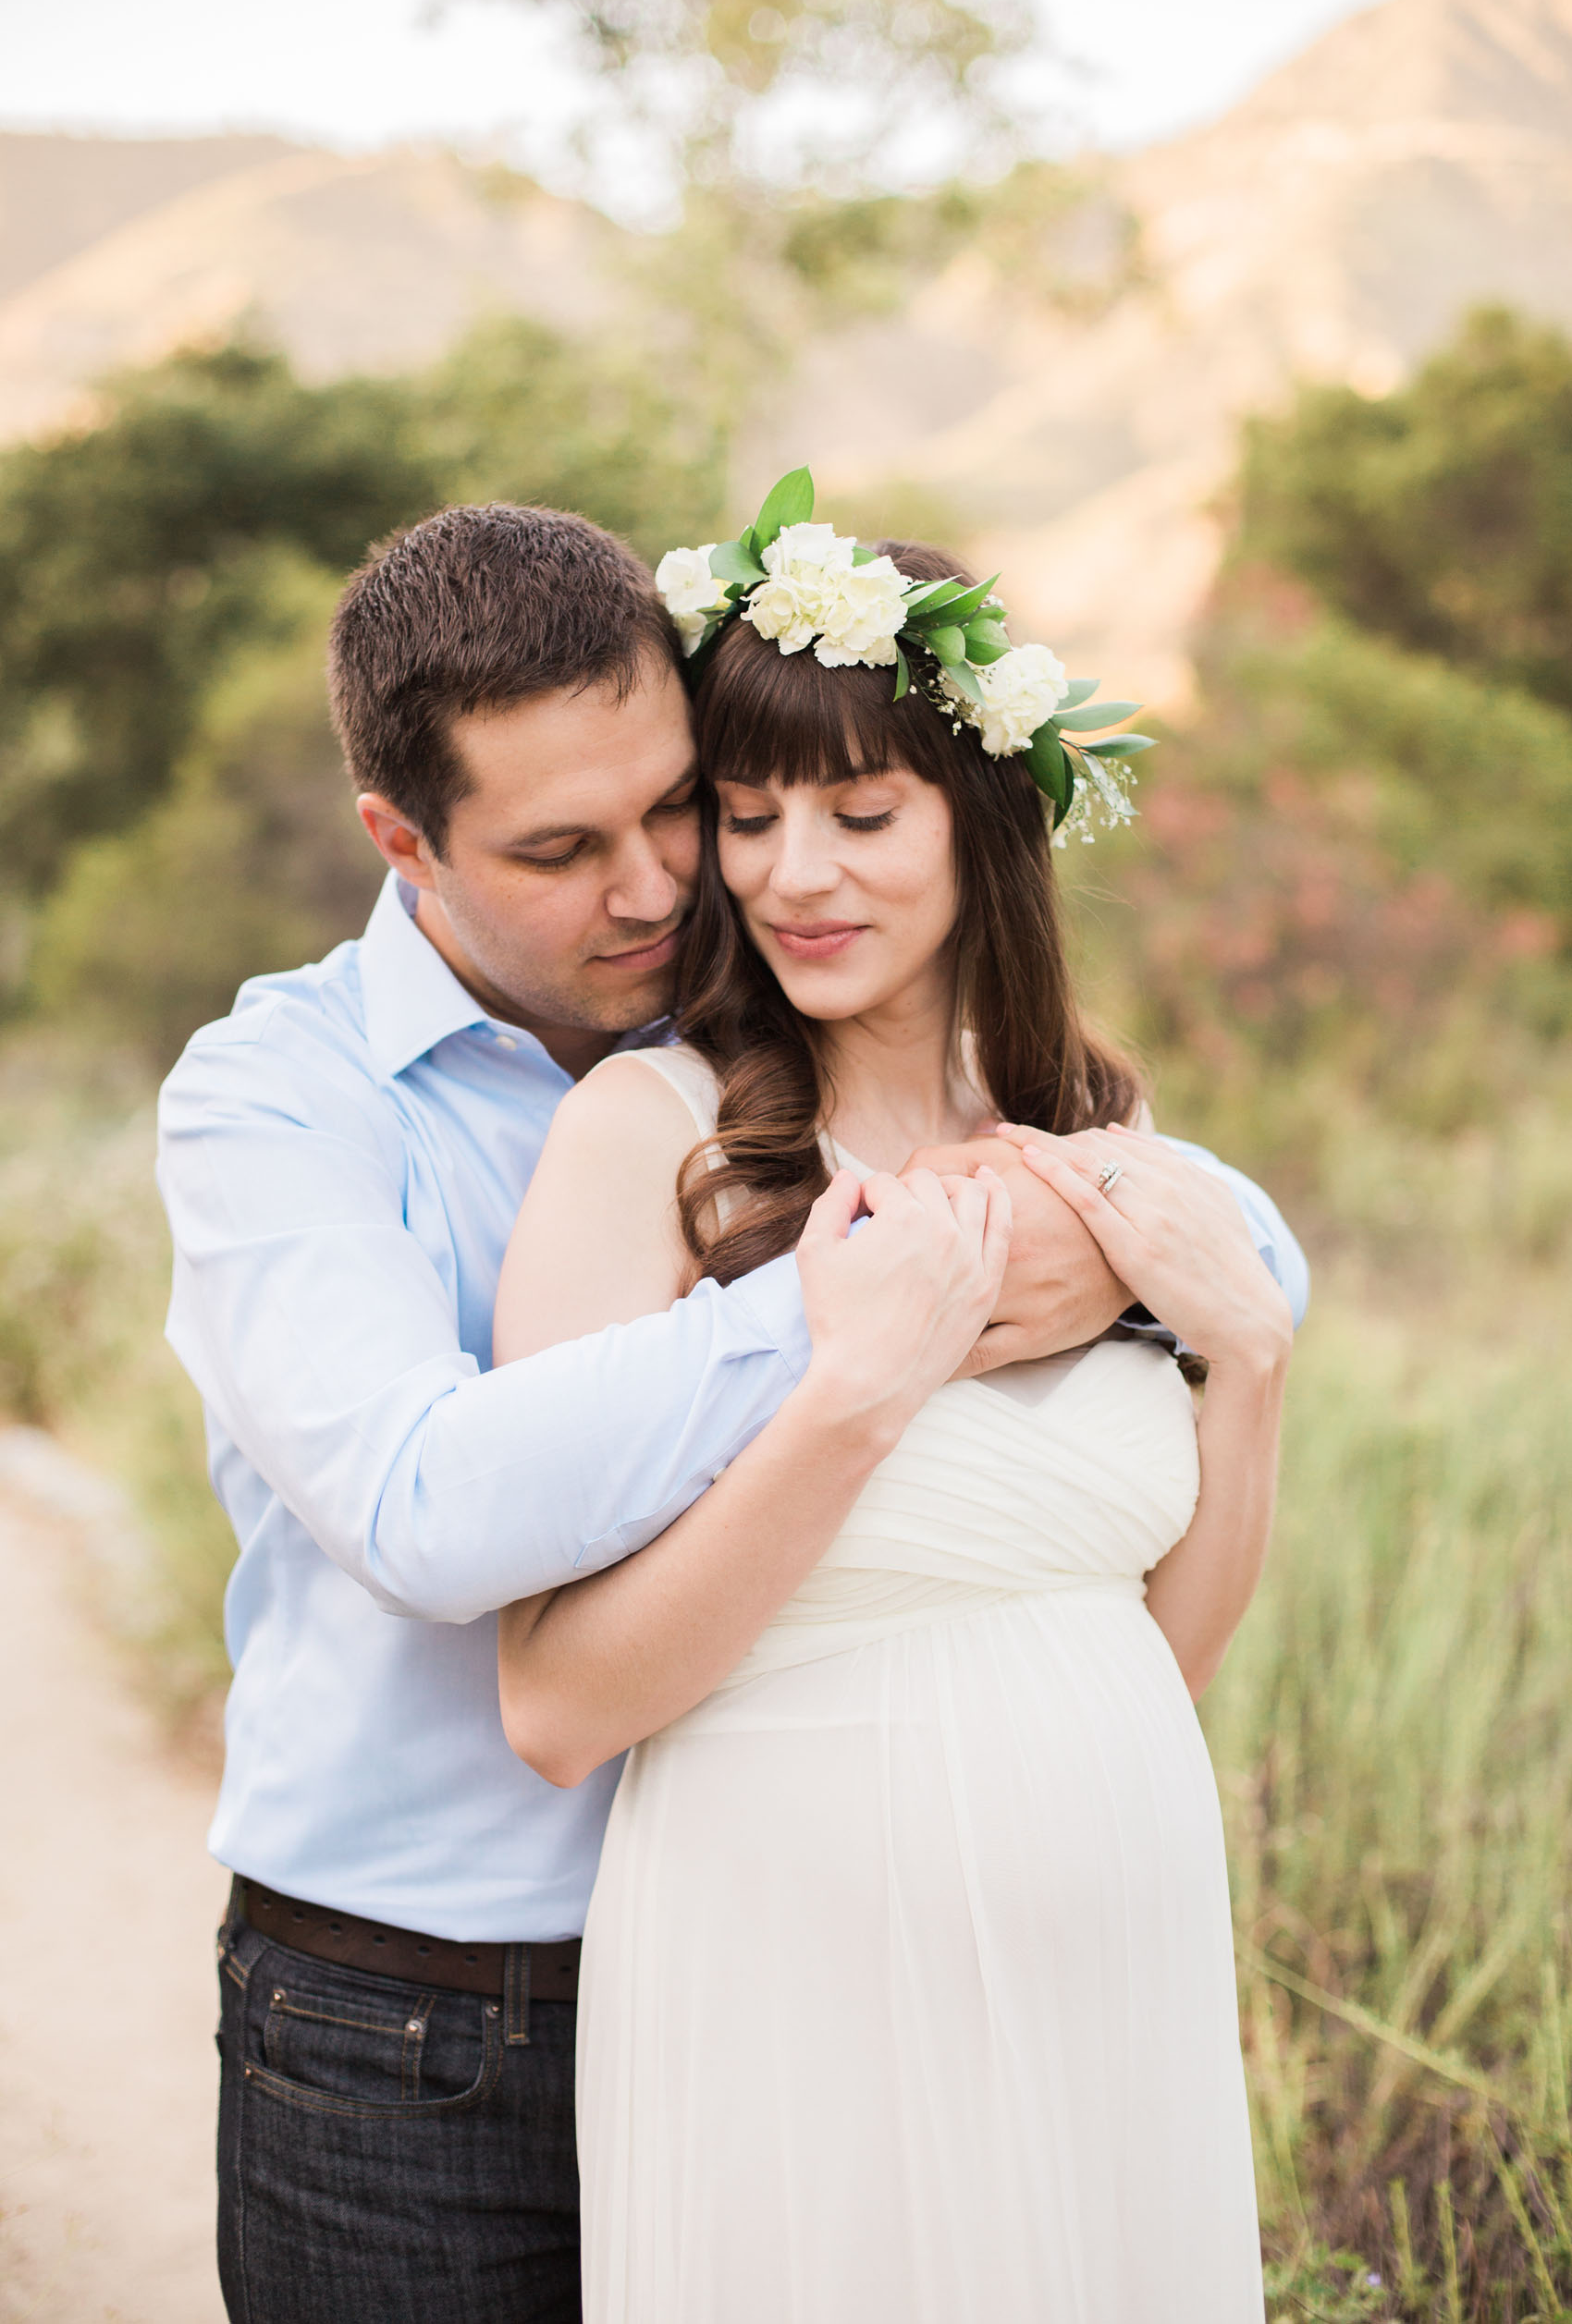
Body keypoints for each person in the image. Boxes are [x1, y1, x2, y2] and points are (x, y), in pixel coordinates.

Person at [156, 499, 1305, 2324]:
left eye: (682, 807)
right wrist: (866, 1322)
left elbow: (1173, 1420)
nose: (676, 885)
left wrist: (1221, 1301)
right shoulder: (294, 1101)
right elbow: (433, 1515)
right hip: (425, 2014)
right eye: (563, 846)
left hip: (1045, 2002)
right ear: (404, 841)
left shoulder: (1054, 1130)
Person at [492, 506, 1295, 2320]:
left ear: (982, 822)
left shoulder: (1100, 1128)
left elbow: (1149, 1651)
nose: (794, 875)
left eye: (861, 815)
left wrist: (1246, 1365)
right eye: (753, 816)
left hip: (1116, 1981)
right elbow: (553, 1705)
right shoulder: (649, 1140)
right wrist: (852, 1395)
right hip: (790, 1993)